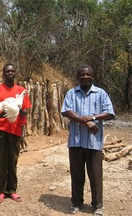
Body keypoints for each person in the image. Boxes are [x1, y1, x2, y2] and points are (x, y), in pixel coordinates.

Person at [61, 64, 115, 216]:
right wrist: (85, 121)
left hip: (94, 142)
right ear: (78, 77)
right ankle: (76, 203)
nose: (85, 77)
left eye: (88, 74)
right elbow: (66, 111)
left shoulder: (100, 93)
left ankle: (97, 206)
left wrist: (93, 117)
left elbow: (110, 113)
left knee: (95, 175)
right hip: (76, 141)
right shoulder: (72, 93)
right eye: (82, 75)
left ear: (92, 76)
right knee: (77, 174)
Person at [0, 63, 31, 203]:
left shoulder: (21, 91)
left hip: (15, 130)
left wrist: (18, 110)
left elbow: (25, 111)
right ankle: (1, 191)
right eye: (7, 71)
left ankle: (12, 190)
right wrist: (1, 115)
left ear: (15, 73)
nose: (10, 73)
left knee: (13, 161)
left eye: (12, 71)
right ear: (3, 74)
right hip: (1, 130)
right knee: (1, 160)